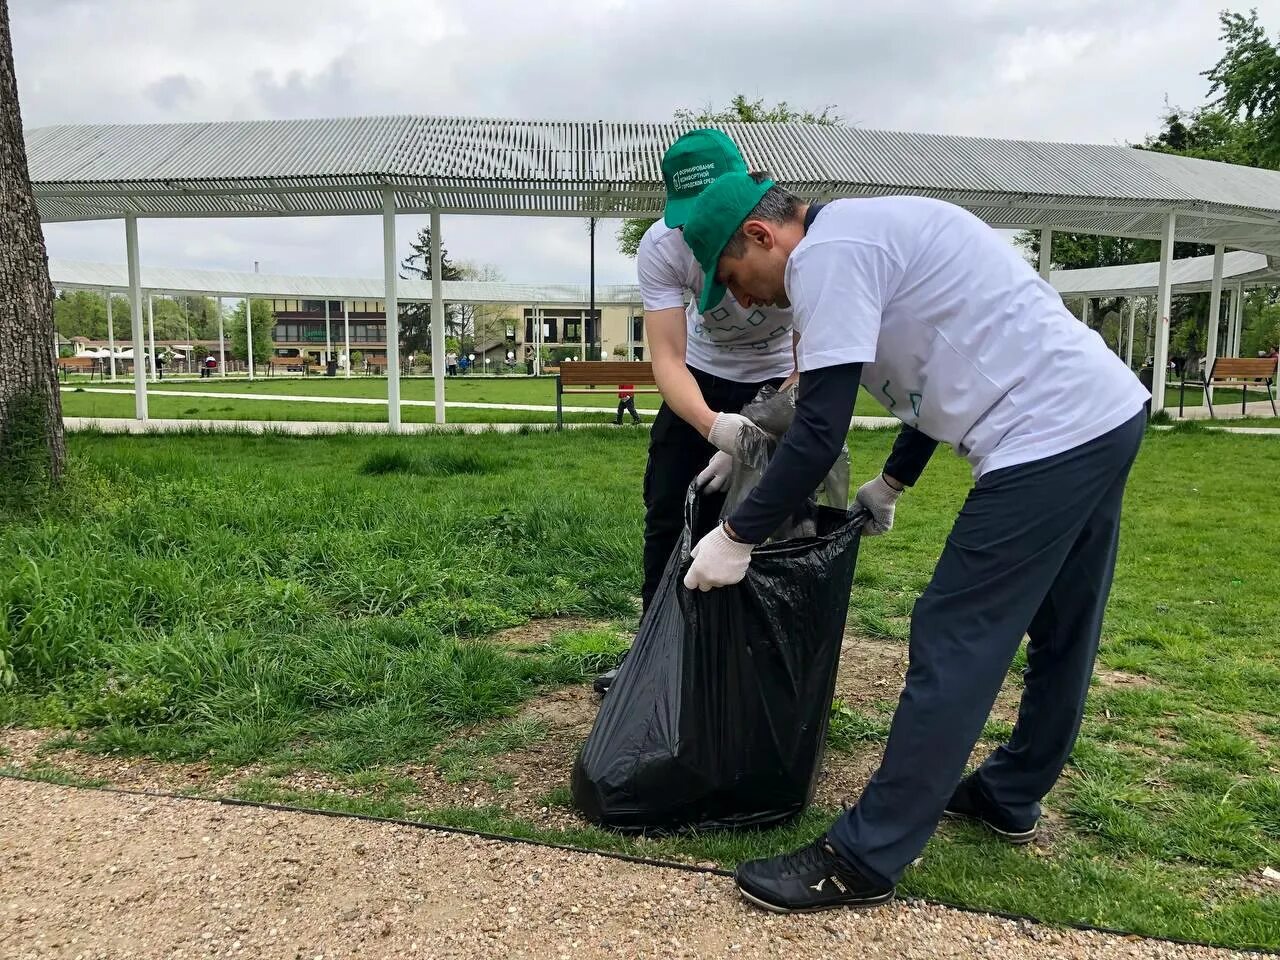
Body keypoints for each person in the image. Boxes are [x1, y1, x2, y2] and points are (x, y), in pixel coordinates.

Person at [680, 173, 1149, 913]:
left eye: (736, 279)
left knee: (955, 631)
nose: (744, 300)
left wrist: (737, 535)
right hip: (1103, 411)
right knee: (1063, 622)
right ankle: (1010, 793)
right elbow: (927, 378)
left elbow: (820, 433)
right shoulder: (870, 234)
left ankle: (864, 856)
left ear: (763, 236)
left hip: (1047, 434)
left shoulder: (826, 258)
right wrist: (891, 484)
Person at [591, 129, 796, 696]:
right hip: (700, 380)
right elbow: (667, 356)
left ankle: (754, 654)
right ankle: (655, 650)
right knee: (668, 509)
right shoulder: (662, 245)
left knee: (779, 521)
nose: (694, 227)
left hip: (781, 382)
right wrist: (713, 426)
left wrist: (766, 419)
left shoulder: (793, 242)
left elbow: (816, 357)